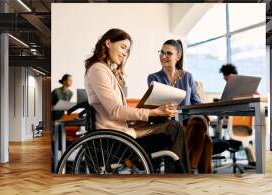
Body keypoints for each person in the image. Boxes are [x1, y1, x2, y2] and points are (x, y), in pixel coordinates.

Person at [84, 29, 189, 173]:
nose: (124, 53)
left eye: (127, 50)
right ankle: (178, 178)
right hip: (116, 140)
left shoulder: (105, 70)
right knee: (174, 128)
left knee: (167, 124)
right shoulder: (98, 70)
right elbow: (116, 111)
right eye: (123, 47)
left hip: (121, 134)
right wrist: (152, 112)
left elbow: (116, 113)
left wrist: (153, 114)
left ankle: (173, 175)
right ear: (108, 43)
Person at [147, 39, 212, 174]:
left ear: (178, 56)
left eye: (168, 53)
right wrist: (173, 82)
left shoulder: (187, 77)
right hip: (168, 123)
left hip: (189, 122)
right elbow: (158, 105)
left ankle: (189, 168)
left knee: (198, 120)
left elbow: (196, 103)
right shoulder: (153, 78)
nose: (164, 56)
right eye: (162, 53)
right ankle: (192, 170)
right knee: (206, 141)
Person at [218, 63, 257, 167]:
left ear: (229, 76)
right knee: (247, 142)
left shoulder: (231, 91)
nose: (226, 81)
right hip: (248, 127)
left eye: (226, 79)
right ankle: (252, 161)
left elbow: (225, 109)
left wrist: (224, 118)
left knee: (219, 127)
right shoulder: (250, 88)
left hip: (236, 128)